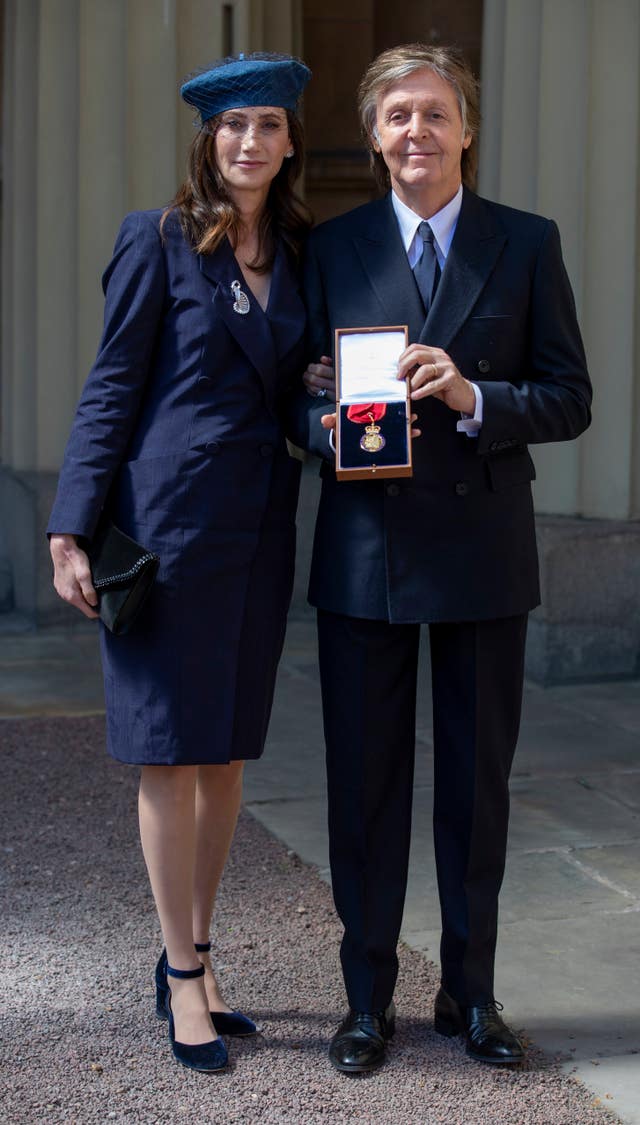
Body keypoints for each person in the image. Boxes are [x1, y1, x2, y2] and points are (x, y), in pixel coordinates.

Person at [290, 43, 592, 1074]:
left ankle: (471, 994)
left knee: (474, 789)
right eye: (395, 117)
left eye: (433, 115)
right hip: (365, 546)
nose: (414, 133)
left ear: (465, 129)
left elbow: (570, 397)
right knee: (364, 785)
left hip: (479, 550)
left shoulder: (526, 243)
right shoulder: (328, 249)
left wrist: (472, 398)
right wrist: (323, 414)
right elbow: (292, 390)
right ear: (373, 137)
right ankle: (365, 1002)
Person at [48, 53, 311, 1074]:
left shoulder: (295, 246)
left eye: (270, 126)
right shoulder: (157, 238)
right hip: (163, 530)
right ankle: (181, 974)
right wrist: (71, 525)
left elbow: (283, 384)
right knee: (169, 749)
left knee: (227, 752)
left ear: (291, 142)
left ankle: (198, 954)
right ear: (208, 137)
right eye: (233, 124)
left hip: (258, 526)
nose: (250, 142)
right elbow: (112, 383)